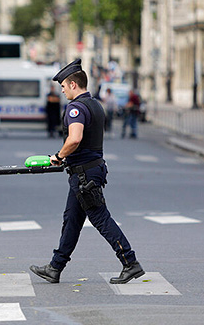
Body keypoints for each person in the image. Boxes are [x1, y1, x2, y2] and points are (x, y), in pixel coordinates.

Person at [30, 59, 144, 285]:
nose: (62, 91)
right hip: (88, 172)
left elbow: (75, 138)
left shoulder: (75, 108)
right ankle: (55, 267)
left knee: (100, 218)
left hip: (84, 176)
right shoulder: (94, 104)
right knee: (71, 220)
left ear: (73, 84)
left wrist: (59, 156)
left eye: (63, 87)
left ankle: (130, 262)